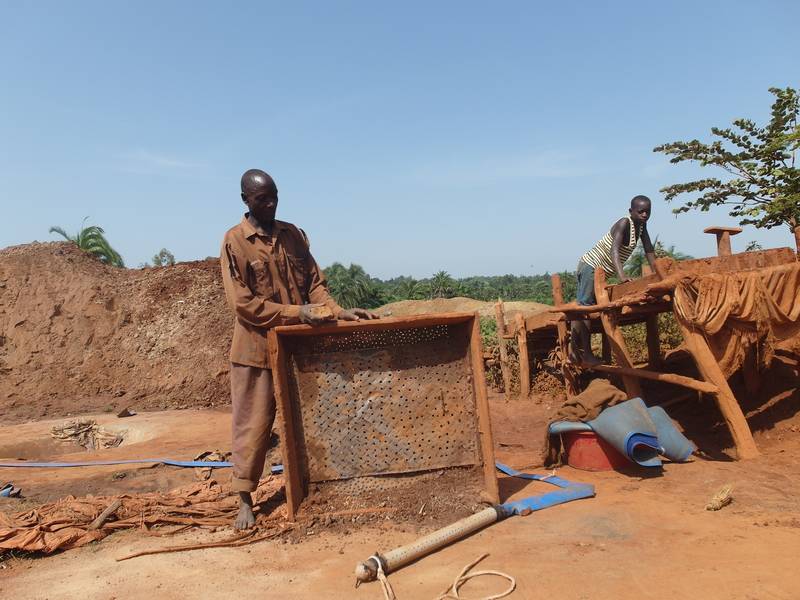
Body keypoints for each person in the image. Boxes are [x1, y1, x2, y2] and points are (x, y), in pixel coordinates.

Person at [220, 168, 377, 529]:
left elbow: (314, 285)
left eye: (275, 195)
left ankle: (313, 483)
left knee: (308, 420)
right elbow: (242, 304)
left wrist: (337, 311)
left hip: (298, 351)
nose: (271, 203)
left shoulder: (293, 236)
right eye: (263, 198)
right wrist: (297, 313)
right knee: (253, 424)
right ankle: (244, 497)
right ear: (246, 200)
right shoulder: (234, 242)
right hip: (255, 351)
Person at [570, 195, 663, 365]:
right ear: (631, 211)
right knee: (586, 309)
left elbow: (648, 249)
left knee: (582, 308)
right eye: (640, 211)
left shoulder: (642, 226)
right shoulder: (624, 223)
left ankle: (574, 352)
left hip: (600, 271)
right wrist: (622, 276)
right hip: (591, 265)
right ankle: (587, 355)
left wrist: (659, 272)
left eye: (647, 212)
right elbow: (614, 251)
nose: (644, 215)